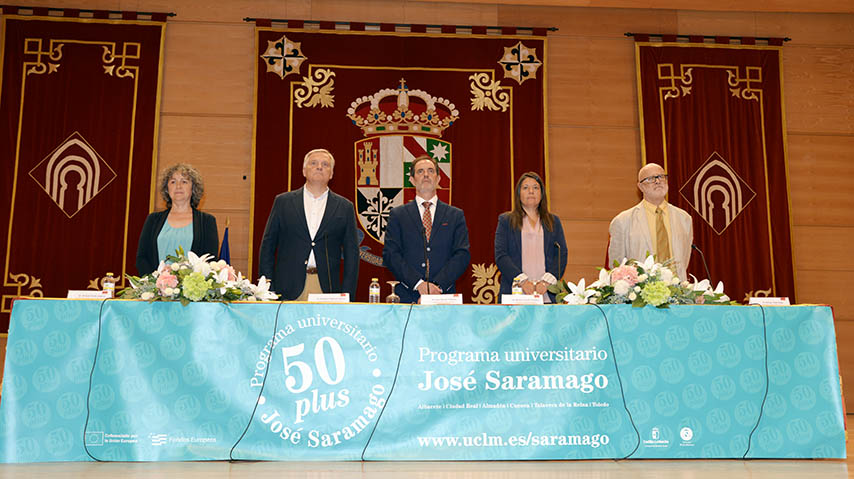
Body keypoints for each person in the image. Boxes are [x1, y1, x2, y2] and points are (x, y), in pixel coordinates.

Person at [258, 148, 359, 300]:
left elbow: (352, 254)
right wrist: (267, 287)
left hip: (327, 289)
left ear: (331, 174)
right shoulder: (283, 202)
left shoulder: (345, 207)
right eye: (314, 163)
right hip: (287, 286)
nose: (319, 167)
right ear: (304, 171)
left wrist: (347, 294)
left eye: (325, 164)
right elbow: (268, 246)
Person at [383, 154, 470, 303]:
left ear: (438, 178)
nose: (426, 175)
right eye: (420, 171)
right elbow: (391, 255)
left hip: (443, 296)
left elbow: (462, 254)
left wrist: (437, 286)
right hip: (407, 295)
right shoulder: (398, 215)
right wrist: (419, 284)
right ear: (411, 180)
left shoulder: (455, 215)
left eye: (430, 171)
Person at [608, 162, 693, 280]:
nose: (657, 181)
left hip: (677, 292)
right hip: (640, 294)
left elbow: (685, 258)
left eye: (661, 177)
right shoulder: (623, 221)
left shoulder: (684, 219)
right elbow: (616, 266)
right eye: (650, 179)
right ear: (640, 187)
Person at [494, 172, 567, 303]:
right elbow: (501, 255)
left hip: (546, 293)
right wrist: (522, 281)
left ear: (542, 194)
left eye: (536, 187)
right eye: (525, 187)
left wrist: (546, 282)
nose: (531, 191)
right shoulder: (506, 221)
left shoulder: (553, 221)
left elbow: (561, 254)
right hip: (515, 293)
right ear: (518, 194)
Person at [136, 163, 219, 275]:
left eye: (184, 181)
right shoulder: (153, 219)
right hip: (156, 289)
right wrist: (154, 282)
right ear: (167, 188)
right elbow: (142, 257)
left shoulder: (207, 221)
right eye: (173, 182)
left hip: (191, 290)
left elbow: (210, 260)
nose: (178, 186)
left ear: (193, 188)